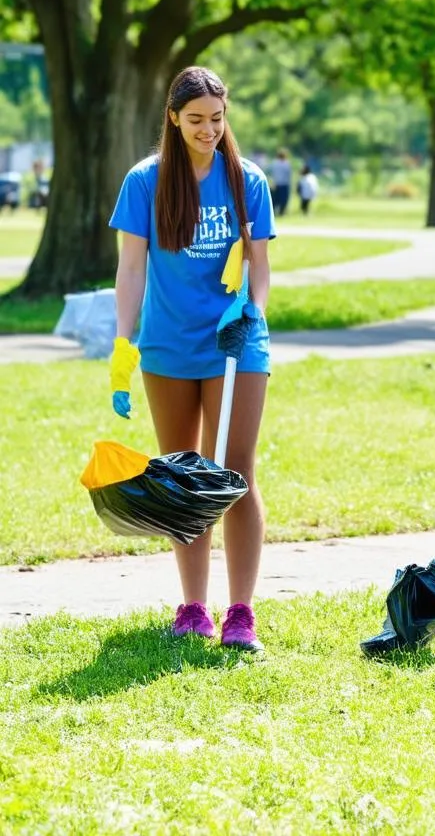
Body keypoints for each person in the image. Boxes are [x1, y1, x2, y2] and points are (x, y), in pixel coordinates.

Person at [108, 65, 276, 652]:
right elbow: (131, 269)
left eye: (218, 118)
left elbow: (260, 266)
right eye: (197, 120)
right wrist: (122, 343)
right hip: (169, 345)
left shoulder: (246, 180)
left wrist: (249, 312)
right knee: (183, 474)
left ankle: (240, 613)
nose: (209, 130)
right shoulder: (144, 182)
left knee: (234, 471)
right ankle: (193, 608)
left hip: (237, 344)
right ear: (174, 118)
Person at [269, 149, 292, 216]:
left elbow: (271, 172)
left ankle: (274, 212)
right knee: (284, 199)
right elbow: (288, 174)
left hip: (276, 183)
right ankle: (281, 212)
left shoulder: (274, 163)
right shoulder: (287, 163)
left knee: (275, 199)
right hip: (284, 183)